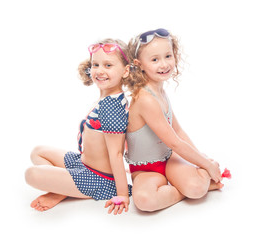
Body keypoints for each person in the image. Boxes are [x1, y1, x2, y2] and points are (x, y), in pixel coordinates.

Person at [25, 38, 132, 215]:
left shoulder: (112, 106)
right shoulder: (107, 98)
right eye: (96, 64)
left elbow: (116, 153)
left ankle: (62, 190)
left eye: (108, 65)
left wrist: (122, 195)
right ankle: (64, 187)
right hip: (82, 163)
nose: (100, 70)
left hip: (97, 178)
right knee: (38, 152)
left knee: (32, 174)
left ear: (126, 71)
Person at [124, 28, 224, 212]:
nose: (164, 64)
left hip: (170, 158)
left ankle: (189, 183)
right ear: (139, 64)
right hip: (145, 169)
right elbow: (175, 142)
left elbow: (177, 131)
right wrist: (207, 165)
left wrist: (201, 160)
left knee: (196, 188)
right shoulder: (145, 98)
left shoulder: (160, 91)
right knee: (145, 201)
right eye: (154, 59)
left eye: (168, 56)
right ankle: (181, 190)